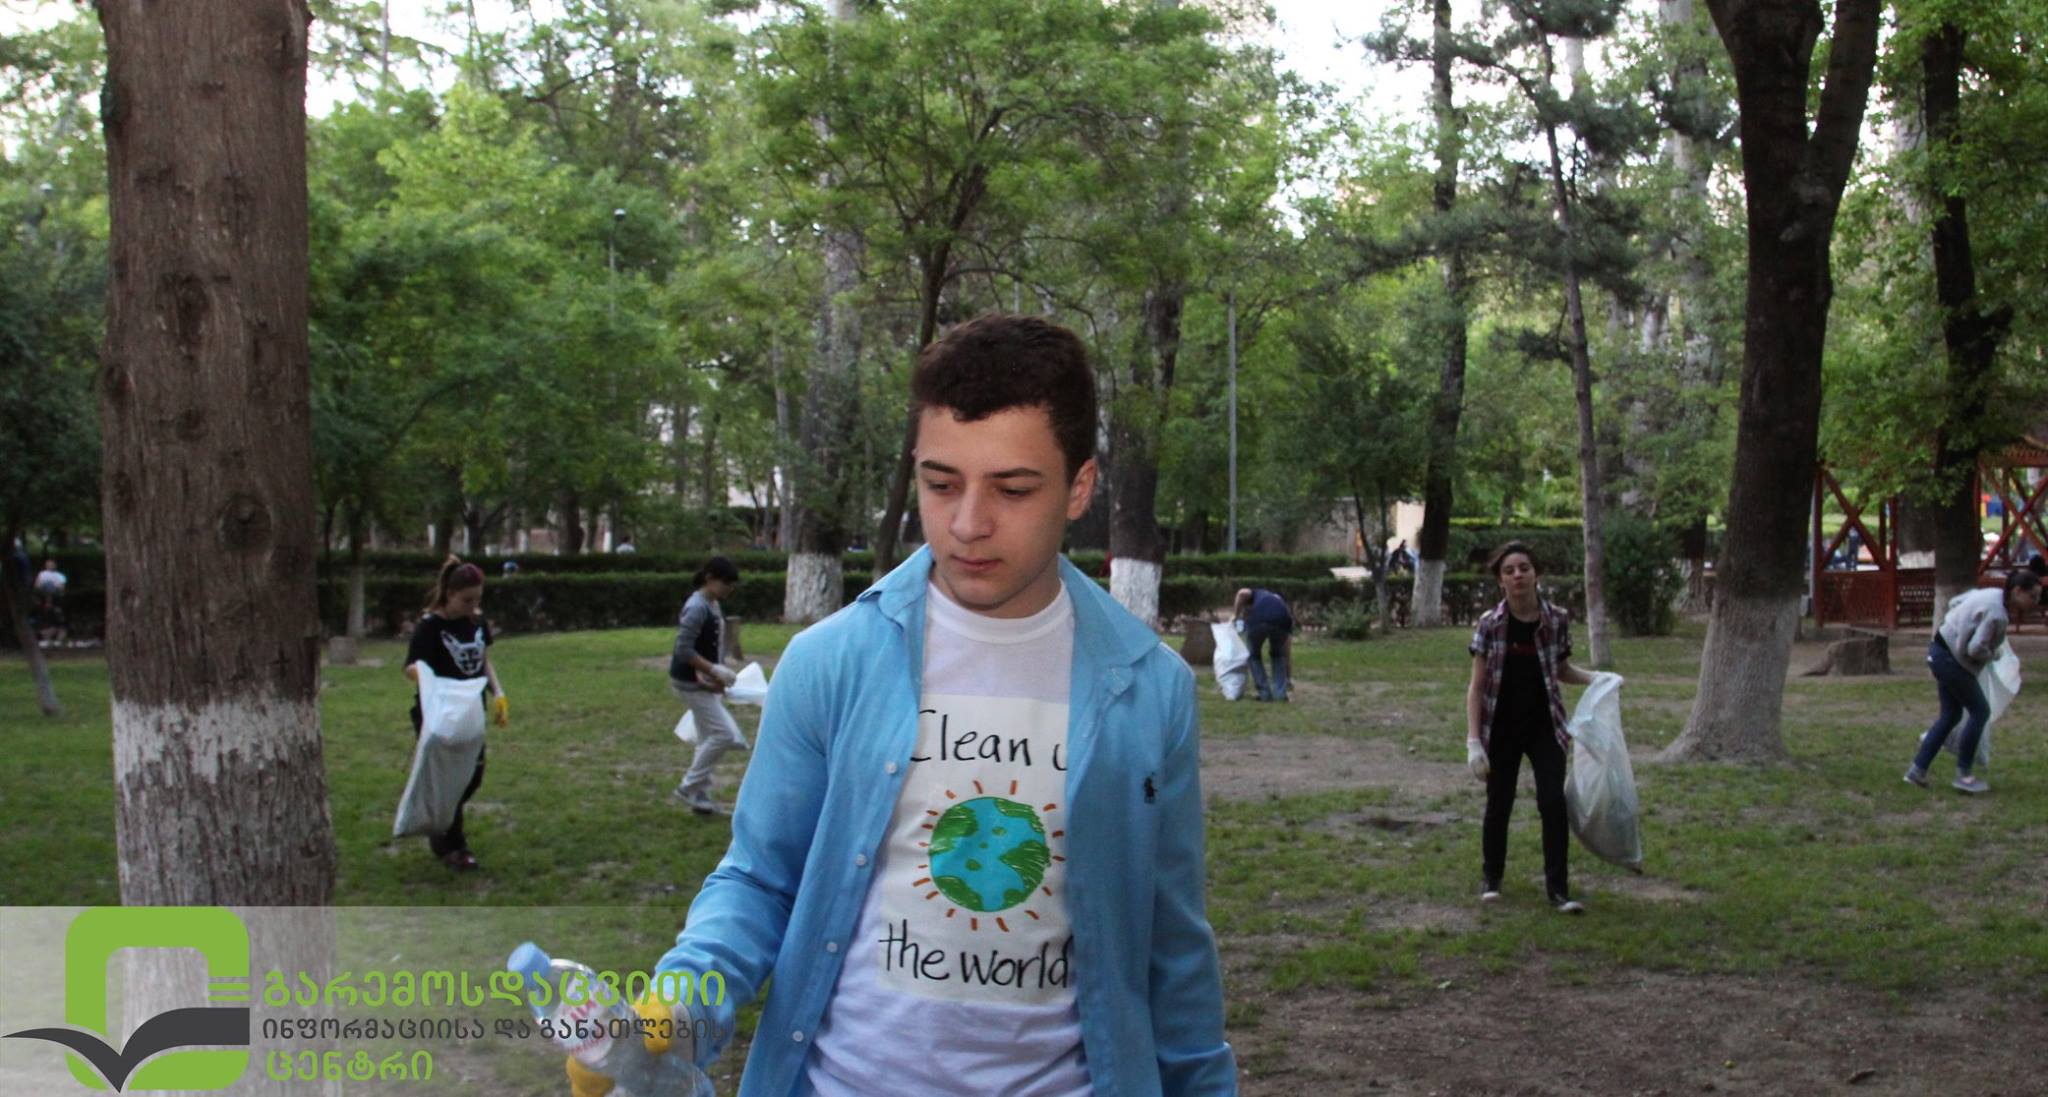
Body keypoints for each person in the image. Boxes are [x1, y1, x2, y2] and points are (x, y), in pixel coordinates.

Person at [577, 314, 1235, 1097]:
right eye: (940, 483)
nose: (968, 524)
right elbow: (759, 877)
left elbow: (1173, 946)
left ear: (1080, 487)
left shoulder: (1150, 688)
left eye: (1013, 489)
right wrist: (680, 1003)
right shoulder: (828, 664)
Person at [1465, 541, 1596, 914]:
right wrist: (1474, 741)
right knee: (1499, 803)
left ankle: (1559, 891)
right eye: (1509, 571)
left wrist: (1597, 678)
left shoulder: (1556, 620)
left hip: (1545, 726)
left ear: (1536, 573)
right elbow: (1476, 687)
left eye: (1524, 568)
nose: (1518, 575)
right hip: (1501, 727)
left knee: (1553, 802)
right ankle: (1492, 879)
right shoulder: (1490, 624)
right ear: (1501, 581)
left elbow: (1561, 669)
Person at [402, 557, 508, 871]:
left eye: (477, 599)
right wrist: (428, 679)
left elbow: (483, 660)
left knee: (472, 776)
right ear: (450, 594)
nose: (473, 606)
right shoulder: (430, 627)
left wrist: (498, 693)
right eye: (466, 600)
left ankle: (442, 826)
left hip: (471, 712)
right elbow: (410, 666)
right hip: (439, 715)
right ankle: (454, 846)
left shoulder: (476, 622)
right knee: (451, 778)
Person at [1905, 569, 2041, 795]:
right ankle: (1964, 775)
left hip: (1938, 651)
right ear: (2018, 591)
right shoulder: (1997, 614)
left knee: (1951, 716)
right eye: (2033, 596)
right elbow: (1975, 649)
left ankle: (1916, 771)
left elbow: (1956, 602)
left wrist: (1959, 627)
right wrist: (1994, 654)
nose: (2035, 602)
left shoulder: (1992, 594)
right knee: (1980, 712)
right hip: (1950, 662)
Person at [669, 555, 744, 815]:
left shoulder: (712, 604)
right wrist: (713, 670)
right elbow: (683, 649)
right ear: (710, 579)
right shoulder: (697, 607)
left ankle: (699, 796)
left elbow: (712, 645)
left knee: (706, 737)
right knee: (723, 734)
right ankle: (688, 786)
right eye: (726, 583)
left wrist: (717, 674)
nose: (729, 589)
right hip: (690, 683)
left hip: (703, 681)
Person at [1233, 586, 1295, 702]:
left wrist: (1235, 615)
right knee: (1278, 655)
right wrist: (1288, 677)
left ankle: (1265, 694)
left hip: (1260, 620)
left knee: (1253, 656)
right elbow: (1286, 652)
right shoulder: (1279, 602)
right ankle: (1280, 694)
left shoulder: (1255, 593)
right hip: (1283, 622)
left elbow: (1241, 592)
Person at [32, 558, 67, 645]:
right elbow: (37, 586)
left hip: (56, 599)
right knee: (45, 619)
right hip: (43, 598)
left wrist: (53, 590)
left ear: (55, 565)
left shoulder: (60, 576)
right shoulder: (41, 574)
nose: (50, 566)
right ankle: (46, 638)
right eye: (48, 564)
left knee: (58, 619)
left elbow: (61, 588)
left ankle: (59, 639)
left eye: (52, 564)